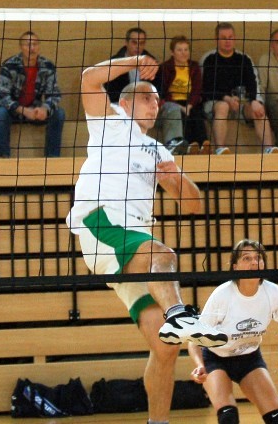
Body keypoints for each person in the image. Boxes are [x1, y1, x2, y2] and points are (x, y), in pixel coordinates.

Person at [67, 53, 227, 424]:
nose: (155, 105)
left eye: (157, 100)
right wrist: (136, 60)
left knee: (164, 346)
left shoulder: (158, 150)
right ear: (125, 103)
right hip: (102, 224)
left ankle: (158, 421)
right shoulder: (110, 122)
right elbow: (89, 77)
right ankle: (181, 316)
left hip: (136, 243)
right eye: (146, 97)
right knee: (163, 254)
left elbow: (193, 205)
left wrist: (177, 178)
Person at [188, 239, 278, 424]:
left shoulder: (274, 294)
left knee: (277, 420)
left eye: (258, 258)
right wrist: (199, 365)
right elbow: (194, 339)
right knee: (228, 417)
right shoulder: (222, 295)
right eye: (246, 258)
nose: (254, 262)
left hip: (249, 359)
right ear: (235, 266)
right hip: (215, 358)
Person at [201, 22, 278, 155]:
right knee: (223, 107)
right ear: (216, 40)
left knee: (258, 110)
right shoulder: (209, 60)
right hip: (216, 102)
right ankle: (220, 149)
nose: (227, 41)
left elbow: (252, 83)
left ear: (235, 38)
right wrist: (227, 99)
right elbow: (207, 88)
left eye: (230, 37)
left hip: (241, 104)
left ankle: (269, 149)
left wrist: (255, 101)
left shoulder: (244, 59)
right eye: (223, 38)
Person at [0, 31, 65, 158]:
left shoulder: (48, 66)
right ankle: (3, 157)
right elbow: (1, 96)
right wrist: (23, 110)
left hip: (35, 110)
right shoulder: (9, 66)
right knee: (0, 113)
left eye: (35, 44)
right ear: (21, 47)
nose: (32, 48)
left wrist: (45, 109)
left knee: (59, 113)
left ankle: (52, 158)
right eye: (28, 44)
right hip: (13, 111)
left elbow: (54, 95)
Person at [154, 35, 208, 155]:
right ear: (172, 52)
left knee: (196, 114)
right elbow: (163, 92)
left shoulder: (194, 67)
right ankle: (188, 147)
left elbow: (197, 89)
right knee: (181, 115)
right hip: (172, 102)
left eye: (186, 50)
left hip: (190, 101)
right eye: (179, 50)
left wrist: (190, 105)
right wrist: (181, 107)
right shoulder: (165, 68)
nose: (184, 53)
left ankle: (203, 145)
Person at [104, 27, 159, 104]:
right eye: (134, 42)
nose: (138, 46)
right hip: (119, 102)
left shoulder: (151, 63)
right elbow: (109, 91)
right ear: (126, 43)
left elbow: (157, 89)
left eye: (141, 43)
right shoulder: (114, 62)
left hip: (144, 103)